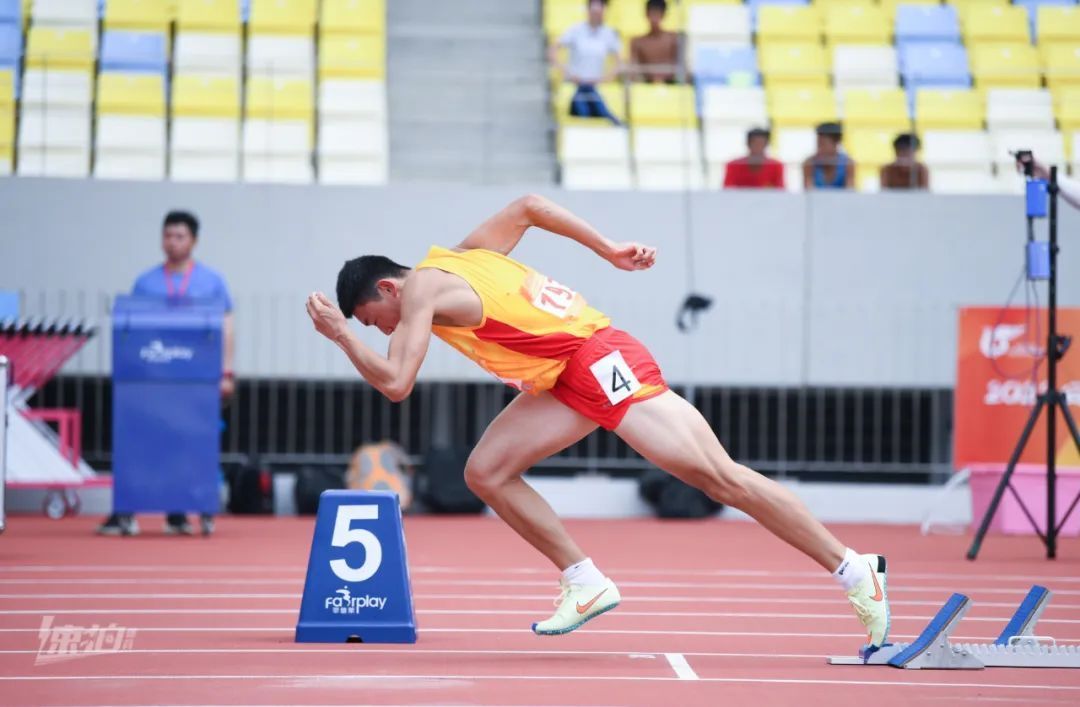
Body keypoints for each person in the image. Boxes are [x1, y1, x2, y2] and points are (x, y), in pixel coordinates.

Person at [305, 194, 891, 649]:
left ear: (387, 287)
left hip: (599, 359)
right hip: (561, 378)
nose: (381, 329)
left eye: (372, 318)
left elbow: (396, 382)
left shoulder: (420, 293)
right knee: (486, 472)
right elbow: (529, 207)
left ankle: (852, 567)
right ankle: (584, 580)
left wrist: (340, 338)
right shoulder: (460, 256)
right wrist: (606, 248)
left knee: (721, 478)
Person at [97, 211, 235, 537]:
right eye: (167, 235)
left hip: (195, 380)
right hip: (151, 380)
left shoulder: (212, 282)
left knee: (188, 444)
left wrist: (226, 372)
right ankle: (127, 509)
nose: (172, 242)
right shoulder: (145, 282)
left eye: (180, 236)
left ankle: (180, 512)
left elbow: (226, 328)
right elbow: (132, 329)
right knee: (145, 443)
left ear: (194, 241)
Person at [549, 0, 623, 124]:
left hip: (596, 85)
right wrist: (567, 72)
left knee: (587, 92)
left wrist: (606, 78)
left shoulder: (609, 34)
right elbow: (553, 50)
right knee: (585, 91)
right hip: (576, 84)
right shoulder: (575, 30)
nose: (596, 14)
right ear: (588, 11)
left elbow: (620, 61)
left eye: (599, 11)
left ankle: (596, 117)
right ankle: (608, 117)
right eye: (594, 11)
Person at [629, 0, 685, 84]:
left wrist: (662, 79)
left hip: (671, 86)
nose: (654, 19)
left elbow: (680, 67)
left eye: (657, 14)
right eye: (652, 14)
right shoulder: (637, 42)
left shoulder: (673, 39)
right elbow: (633, 70)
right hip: (645, 87)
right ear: (646, 14)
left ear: (663, 15)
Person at [804, 122, 855, 190]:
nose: (820, 149)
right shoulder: (809, 164)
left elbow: (850, 193)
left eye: (823, 144)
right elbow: (809, 194)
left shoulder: (848, 164)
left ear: (836, 143)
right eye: (818, 145)